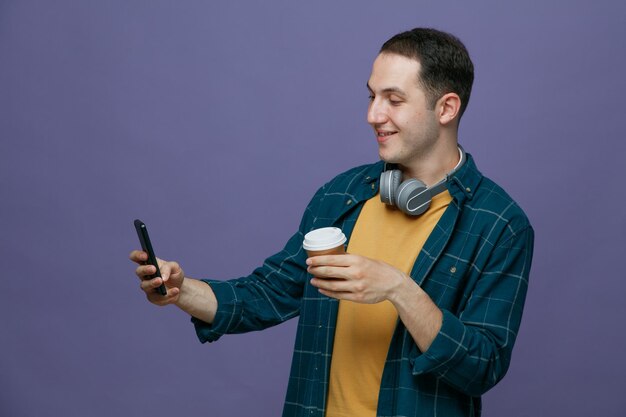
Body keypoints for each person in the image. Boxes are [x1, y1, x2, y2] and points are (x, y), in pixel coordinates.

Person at [130, 27, 534, 417]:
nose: (373, 114)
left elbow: (483, 365)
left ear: (446, 108)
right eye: (372, 96)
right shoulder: (341, 195)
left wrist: (399, 290)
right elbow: (267, 293)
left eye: (393, 99)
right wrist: (181, 291)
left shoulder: (500, 224)